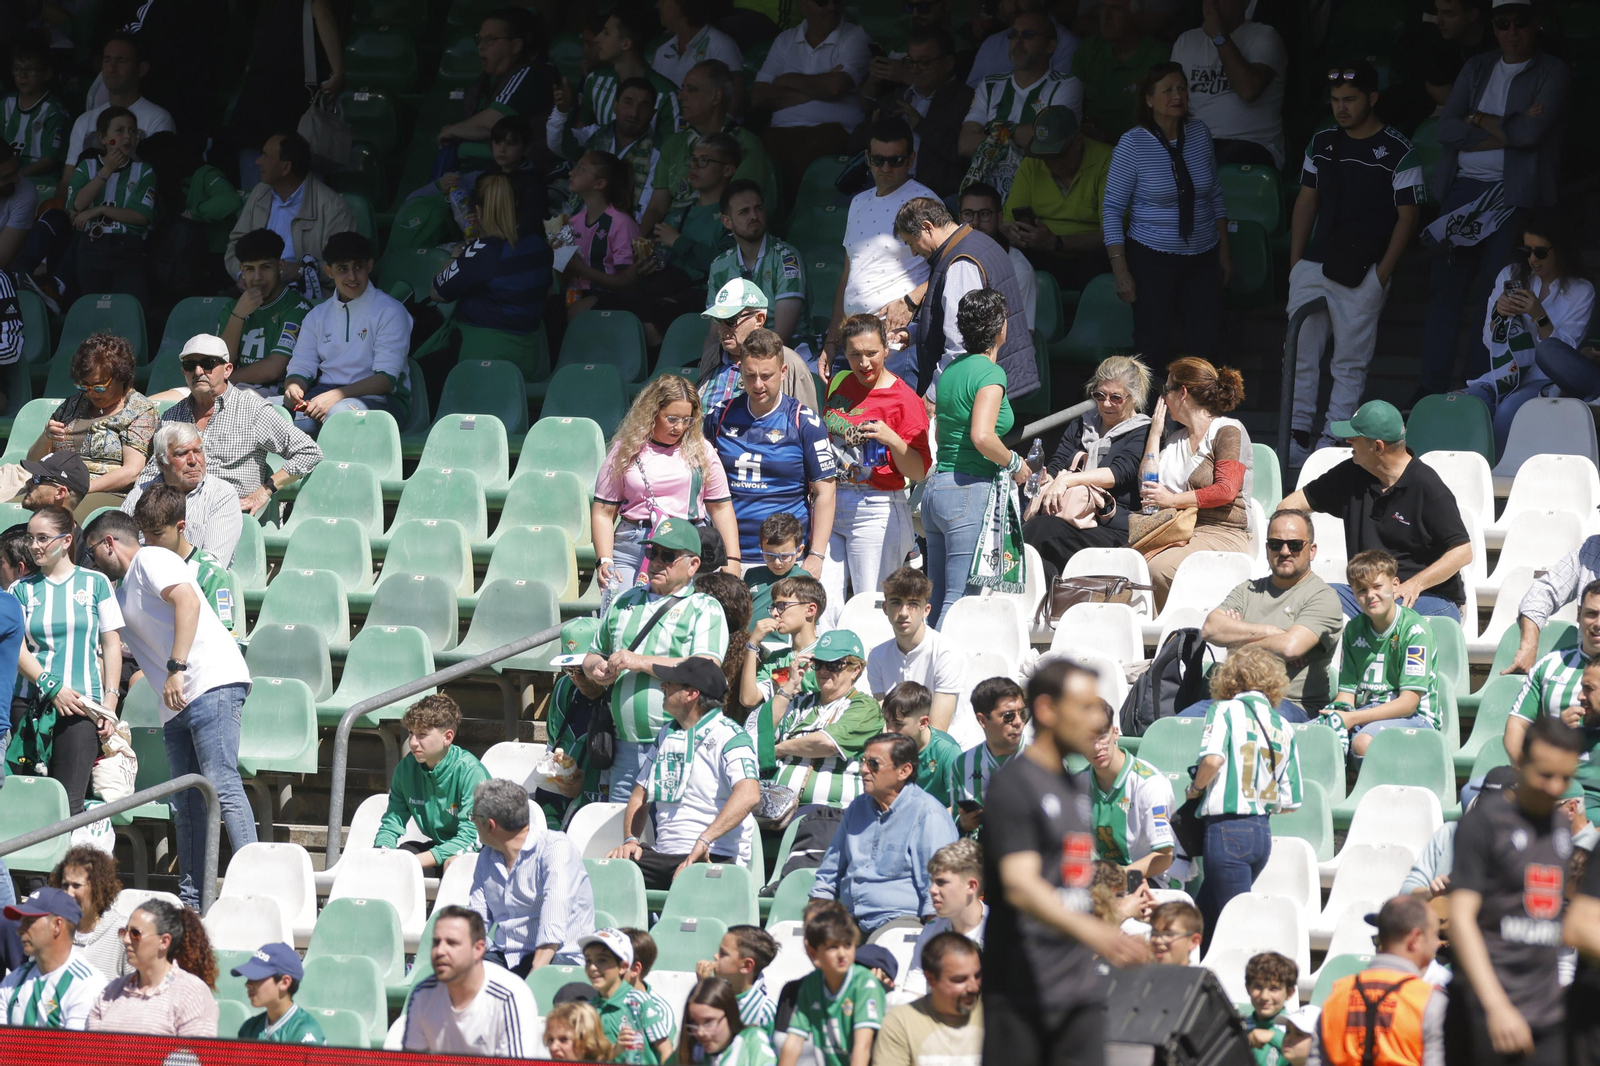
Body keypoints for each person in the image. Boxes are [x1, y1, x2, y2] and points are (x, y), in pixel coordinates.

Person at [983, 659, 1150, 1063]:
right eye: (1084, 707)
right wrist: (1097, 933)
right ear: (1046, 710)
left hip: (1077, 987)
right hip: (1022, 987)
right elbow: (1020, 885)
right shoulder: (1014, 784)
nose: (1096, 720)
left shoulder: (1075, 785)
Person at [85, 510, 254, 909]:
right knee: (187, 801)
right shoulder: (119, 591)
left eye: (92, 553)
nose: (91, 563)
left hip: (210, 681)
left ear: (110, 542)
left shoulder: (151, 558)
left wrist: (177, 667)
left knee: (222, 784)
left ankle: (255, 884)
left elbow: (188, 601)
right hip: (175, 702)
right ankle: (195, 901)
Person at [1416, 3, 1571, 401]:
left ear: (1535, 25)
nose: (1513, 31)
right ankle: (1429, 390)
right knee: (1444, 292)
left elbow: (1533, 134)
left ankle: (1477, 390)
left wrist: (1478, 118)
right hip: (1463, 189)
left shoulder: (1552, 70)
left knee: (1495, 293)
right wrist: (1508, 127)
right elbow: (1448, 127)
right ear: (1494, 28)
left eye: (1521, 23)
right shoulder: (1479, 66)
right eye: (1504, 24)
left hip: (1514, 195)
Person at [1286, 64, 1425, 466]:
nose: (1341, 108)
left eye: (1350, 99)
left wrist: (1381, 275)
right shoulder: (1322, 139)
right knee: (1299, 352)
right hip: (1315, 262)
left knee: (1349, 360)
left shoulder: (1399, 148)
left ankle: (1333, 437)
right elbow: (1306, 200)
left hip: (1364, 269)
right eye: (1335, 100)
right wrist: (1295, 263)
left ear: (1372, 99)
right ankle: (1295, 434)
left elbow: (1409, 216)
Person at [1447, 713, 1580, 1066]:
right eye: (1545, 774)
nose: (1554, 787)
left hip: (1545, 1014)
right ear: (1520, 762)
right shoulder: (1483, 823)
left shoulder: (1560, 828)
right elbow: (1460, 919)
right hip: (1485, 1009)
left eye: (1564, 778)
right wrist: (1496, 1006)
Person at [1281, 400, 1472, 622]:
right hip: (1365, 597)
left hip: (1430, 598)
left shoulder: (1427, 486)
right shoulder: (1352, 472)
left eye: (1355, 437)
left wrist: (1415, 584)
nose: (1348, 441)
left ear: (1378, 447)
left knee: (1382, 611)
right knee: (1303, 599)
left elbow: (1462, 552)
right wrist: (1297, 549)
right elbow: (1288, 507)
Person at [585, 517, 731, 800]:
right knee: (624, 837)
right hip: (623, 748)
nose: (656, 561)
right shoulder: (624, 600)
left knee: (669, 839)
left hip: (678, 744)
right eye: (652, 552)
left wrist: (638, 662)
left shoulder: (704, 608)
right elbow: (593, 654)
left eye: (669, 555)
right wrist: (596, 669)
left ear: (693, 566)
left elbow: (705, 672)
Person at [1102, 62, 1230, 362]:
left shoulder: (1199, 133)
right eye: (1168, 90)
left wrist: (1224, 251)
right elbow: (1111, 210)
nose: (1177, 95)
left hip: (1203, 255)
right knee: (1153, 342)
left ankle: (1199, 409)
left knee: (1206, 341)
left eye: (1182, 88)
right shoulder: (1132, 143)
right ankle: (1150, 409)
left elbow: (1215, 195)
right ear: (1149, 99)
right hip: (1152, 257)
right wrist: (1120, 270)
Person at [921, 288, 1029, 626]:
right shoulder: (990, 373)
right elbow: (982, 436)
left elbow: (942, 429)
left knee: (936, 600)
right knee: (959, 603)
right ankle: (941, 679)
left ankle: (923, 676)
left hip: (937, 493)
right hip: (968, 493)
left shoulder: (952, 369)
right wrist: (1015, 463)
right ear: (1001, 328)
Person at [608, 656, 761, 888]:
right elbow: (640, 793)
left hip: (714, 855)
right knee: (612, 874)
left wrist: (704, 840)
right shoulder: (666, 733)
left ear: (692, 694)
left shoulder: (731, 736)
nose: (662, 685)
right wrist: (631, 839)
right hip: (664, 856)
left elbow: (749, 794)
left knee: (691, 881)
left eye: (670, 683)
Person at [1186, 646, 1303, 947]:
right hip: (1261, 833)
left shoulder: (1223, 710)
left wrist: (1196, 789)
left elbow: (1212, 760)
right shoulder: (1284, 725)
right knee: (1203, 922)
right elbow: (1290, 802)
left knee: (1236, 928)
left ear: (1229, 679)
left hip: (1226, 831)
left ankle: (1248, 980)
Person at [594, 375, 741, 613]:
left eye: (687, 419)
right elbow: (603, 510)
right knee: (620, 619)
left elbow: (721, 507)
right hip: (634, 544)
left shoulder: (701, 450)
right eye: (672, 419)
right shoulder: (625, 449)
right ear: (652, 413)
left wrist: (733, 561)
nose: (680, 427)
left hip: (687, 545)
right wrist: (605, 559)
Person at [13, 506, 124, 817]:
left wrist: (110, 704)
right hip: (31, 705)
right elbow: (17, 649)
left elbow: (111, 645)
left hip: (82, 708)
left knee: (69, 805)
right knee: (28, 805)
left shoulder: (97, 583)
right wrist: (52, 687)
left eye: (43, 538)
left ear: (66, 540)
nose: (34, 545)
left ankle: (61, 866)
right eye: (31, 537)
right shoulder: (19, 589)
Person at [821, 314, 930, 612]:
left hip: (877, 507)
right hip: (831, 501)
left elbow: (919, 470)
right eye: (855, 354)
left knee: (869, 605)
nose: (864, 363)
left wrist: (892, 439)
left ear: (886, 349)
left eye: (871, 353)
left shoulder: (905, 400)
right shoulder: (840, 381)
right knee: (823, 605)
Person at [1460, 215, 1594, 454]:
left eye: (1540, 252)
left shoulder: (1581, 290)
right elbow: (1489, 342)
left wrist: (1539, 315)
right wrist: (1499, 316)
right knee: (1464, 404)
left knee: (1510, 409)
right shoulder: (1509, 274)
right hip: (1503, 374)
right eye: (1527, 251)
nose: (1532, 259)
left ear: (1559, 250)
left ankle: (1499, 478)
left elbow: (1563, 354)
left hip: (1545, 379)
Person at [706, 331, 835, 573]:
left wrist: (816, 555)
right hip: (729, 556)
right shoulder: (718, 416)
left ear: (783, 372)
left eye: (766, 376)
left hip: (784, 558)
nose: (757, 385)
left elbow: (825, 491)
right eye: (750, 375)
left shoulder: (804, 422)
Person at [1197, 509, 1345, 720]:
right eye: (1276, 544)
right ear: (1267, 549)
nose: (1284, 551)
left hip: (1290, 705)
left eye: (1294, 545)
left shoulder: (1323, 596)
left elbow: (1290, 647)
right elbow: (1211, 628)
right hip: (1233, 699)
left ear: (1311, 550)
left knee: (1245, 725)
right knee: (1177, 728)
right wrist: (1272, 631)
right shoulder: (1247, 590)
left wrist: (1237, 644)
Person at [153, 332, 323, 512]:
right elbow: (154, 469)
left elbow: (309, 452)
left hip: (229, 513)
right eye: (189, 365)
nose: (198, 371)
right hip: (176, 513)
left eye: (208, 364)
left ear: (228, 370)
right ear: (183, 371)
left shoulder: (253, 410)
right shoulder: (172, 416)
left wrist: (265, 490)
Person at [425, 171, 554, 404]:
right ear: (514, 204)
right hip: (529, 357)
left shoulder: (482, 252)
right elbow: (548, 292)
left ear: (478, 210)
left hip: (480, 355)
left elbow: (436, 291)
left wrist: (456, 257)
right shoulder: (538, 243)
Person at [1022, 355, 1153, 585]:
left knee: (1041, 531)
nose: (1106, 404)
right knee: (1033, 534)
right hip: (1066, 515)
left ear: (1133, 398)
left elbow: (1119, 472)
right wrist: (1047, 478)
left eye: (1116, 398)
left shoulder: (1142, 431)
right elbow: (1058, 462)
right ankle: (1047, 602)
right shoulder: (1083, 424)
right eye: (1100, 396)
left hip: (1110, 524)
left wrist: (1066, 482)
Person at [598, 132, 740, 342]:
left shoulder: (734, 216)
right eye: (692, 160)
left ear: (728, 169)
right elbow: (662, 261)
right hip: (665, 288)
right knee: (604, 308)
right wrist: (649, 264)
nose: (694, 166)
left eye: (704, 161)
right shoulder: (677, 214)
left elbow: (728, 264)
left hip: (703, 296)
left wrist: (678, 241)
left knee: (650, 321)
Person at [811, 732, 959, 932]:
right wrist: (815, 918)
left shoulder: (929, 815)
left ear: (904, 771)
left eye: (873, 764)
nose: (863, 770)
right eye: (863, 761)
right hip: (849, 920)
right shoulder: (857, 808)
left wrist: (933, 940)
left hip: (899, 924)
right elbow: (829, 874)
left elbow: (940, 890)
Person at [824, 118, 938, 370]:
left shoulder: (924, 203)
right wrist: (832, 339)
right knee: (844, 411)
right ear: (867, 157)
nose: (886, 167)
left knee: (892, 410)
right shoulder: (858, 202)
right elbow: (848, 274)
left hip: (895, 338)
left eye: (895, 161)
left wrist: (911, 300)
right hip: (851, 337)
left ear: (911, 160)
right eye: (878, 160)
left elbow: (950, 263)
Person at [1140, 357, 1254, 606]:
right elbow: (1146, 485)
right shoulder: (1175, 440)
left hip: (1222, 532)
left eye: (1166, 390)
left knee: (1159, 569)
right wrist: (1155, 434)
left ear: (1182, 393)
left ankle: (1168, 638)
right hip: (1176, 528)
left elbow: (1226, 490)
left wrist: (1172, 500)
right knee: (1127, 564)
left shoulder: (1228, 430)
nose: (1163, 398)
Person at [896, 198, 1036, 399]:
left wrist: (934, 394)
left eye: (912, 243)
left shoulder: (961, 262)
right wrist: (916, 333)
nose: (914, 252)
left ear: (928, 228)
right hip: (999, 380)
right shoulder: (979, 242)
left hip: (980, 390)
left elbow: (960, 342)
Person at [282, 231, 413, 435]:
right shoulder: (317, 314)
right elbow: (302, 365)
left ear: (369, 266)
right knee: (268, 410)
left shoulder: (390, 311)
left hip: (382, 400)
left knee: (340, 415)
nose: (352, 276)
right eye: (343, 269)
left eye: (358, 267)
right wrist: (294, 386)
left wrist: (335, 397)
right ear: (329, 271)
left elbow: (386, 380)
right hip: (323, 394)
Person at [1322, 551, 1444, 758]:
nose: (1370, 595)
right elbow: (1346, 694)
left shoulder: (1415, 631)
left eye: (1377, 586)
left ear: (1395, 584)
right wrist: (1336, 714)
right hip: (1367, 713)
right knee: (1319, 736)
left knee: (1363, 742)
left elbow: (1408, 704)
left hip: (1417, 718)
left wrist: (1353, 719)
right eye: (1361, 590)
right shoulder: (1353, 629)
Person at [469, 777, 596, 975]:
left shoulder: (555, 848)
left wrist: (532, 981)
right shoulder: (487, 857)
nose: (473, 821)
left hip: (558, 960)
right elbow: (476, 921)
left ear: (489, 825)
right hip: (505, 958)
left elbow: (552, 925)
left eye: (473, 816)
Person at [959, 11, 1084, 200]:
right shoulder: (990, 85)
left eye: (1028, 35)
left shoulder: (1066, 85)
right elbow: (965, 145)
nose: (1018, 41)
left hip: (1040, 194)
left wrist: (996, 132)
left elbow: (1051, 141)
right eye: (1013, 35)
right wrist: (1021, 136)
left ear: (1050, 46)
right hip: (986, 198)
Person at [641, 61, 773, 239]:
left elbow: (742, 213)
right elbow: (657, 207)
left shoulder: (747, 144)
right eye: (683, 89)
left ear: (716, 96)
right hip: (670, 238)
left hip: (714, 241)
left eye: (691, 89)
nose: (681, 96)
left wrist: (682, 246)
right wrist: (640, 247)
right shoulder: (674, 144)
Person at [1309, 895, 1446, 1066]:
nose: (1437, 944)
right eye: (1435, 935)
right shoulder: (1430, 1001)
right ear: (1416, 939)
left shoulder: (1337, 994)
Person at [753, 0, 873, 187]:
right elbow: (759, 96)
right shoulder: (785, 39)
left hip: (833, 132)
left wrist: (787, 79)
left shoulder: (855, 36)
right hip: (779, 133)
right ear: (802, 5)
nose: (832, 7)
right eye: (822, 2)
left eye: (836, 0)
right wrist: (821, 88)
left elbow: (835, 87)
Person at [225, 131, 354, 299]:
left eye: (265, 156)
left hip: (306, 297)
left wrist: (301, 271)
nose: (258, 162)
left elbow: (345, 266)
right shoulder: (259, 193)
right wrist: (242, 275)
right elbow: (235, 245)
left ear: (285, 167)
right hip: (256, 291)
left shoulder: (332, 206)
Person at [226, 0, 344, 185]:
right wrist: (338, 71)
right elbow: (323, 16)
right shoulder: (312, 5)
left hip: (255, 105)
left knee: (257, 188)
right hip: (291, 103)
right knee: (300, 191)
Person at [28, 333, 159, 497]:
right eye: (84, 387)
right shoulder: (72, 405)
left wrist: (80, 488)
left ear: (122, 377)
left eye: (99, 387)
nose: (91, 394)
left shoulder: (139, 410)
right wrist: (46, 438)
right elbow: (33, 462)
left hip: (106, 495)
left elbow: (132, 472)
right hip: (57, 488)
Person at [401, 904, 541, 1056]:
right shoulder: (422, 995)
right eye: (436, 943)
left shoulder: (511, 997)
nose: (440, 951)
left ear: (478, 949)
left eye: (452, 943)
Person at [436, 8, 556, 185]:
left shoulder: (532, 73)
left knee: (422, 207)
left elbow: (492, 123)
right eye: (479, 39)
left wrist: (451, 130)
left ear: (516, 45)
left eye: (490, 40)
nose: (481, 46)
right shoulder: (487, 80)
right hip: (473, 172)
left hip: (509, 176)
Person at [999, 106, 1112, 290]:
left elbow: (1112, 235)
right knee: (1014, 259)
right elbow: (1007, 223)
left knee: (1102, 261)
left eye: (1057, 155)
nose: (1049, 162)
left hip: (1092, 256)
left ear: (1077, 142)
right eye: (1044, 155)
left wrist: (1057, 242)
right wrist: (1016, 235)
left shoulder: (1107, 160)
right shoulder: (1033, 163)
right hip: (1043, 253)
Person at [373, 695, 490, 871]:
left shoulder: (471, 772)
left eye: (422, 735)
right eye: (411, 733)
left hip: (482, 854)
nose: (413, 742)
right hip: (440, 848)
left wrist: (413, 862)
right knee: (403, 852)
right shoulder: (405, 769)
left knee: (452, 865)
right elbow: (392, 823)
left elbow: (472, 837)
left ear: (448, 737)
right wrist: (382, 853)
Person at [856, 28, 973, 199]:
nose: (915, 69)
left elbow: (962, 155)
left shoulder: (965, 98)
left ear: (948, 63)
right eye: (911, 62)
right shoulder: (899, 96)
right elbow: (853, 144)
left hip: (934, 195)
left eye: (924, 62)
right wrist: (874, 128)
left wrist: (920, 124)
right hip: (882, 186)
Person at [1169, 0, 1286, 167]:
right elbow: (1172, 104)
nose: (1212, 4)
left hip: (1251, 144)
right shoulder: (1186, 41)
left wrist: (1219, 36)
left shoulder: (1264, 36)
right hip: (1197, 145)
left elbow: (1248, 90)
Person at [62, 105, 155, 301]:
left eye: (132, 131)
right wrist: (108, 169)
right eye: (119, 131)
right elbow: (77, 204)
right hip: (91, 245)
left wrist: (101, 209)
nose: (128, 137)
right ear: (104, 138)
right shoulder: (87, 166)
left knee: (130, 306)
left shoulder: (144, 170)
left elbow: (141, 217)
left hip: (128, 246)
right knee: (92, 306)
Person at [1503, 581, 1600, 769]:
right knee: (1486, 789)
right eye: (1591, 614)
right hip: (1553, 783)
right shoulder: (1550, 665)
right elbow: (1517, 726)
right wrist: (1529, 776)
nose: (1598, 623)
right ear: (1578, 615)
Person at [58, 35, 174, 190]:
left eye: (121, 61)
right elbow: (68, 181)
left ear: (141, 69)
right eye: (107, 60)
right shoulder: (84, 120)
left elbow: (158, 182)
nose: (111, 68)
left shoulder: (158, 119)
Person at [87, 899, 218, 1036]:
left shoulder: (191, 993)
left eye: (135, 934)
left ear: (164, 941)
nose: (126, 940)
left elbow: (195, 1054)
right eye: (124, 932)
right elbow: (90, 1050)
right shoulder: (111, 993)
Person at [119, 424, 242, 569]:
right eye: (181, 454)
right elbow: (120, 546)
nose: (193, 460)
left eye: (198, 451)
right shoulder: (141, 493)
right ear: (161, 462)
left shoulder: (222, 494)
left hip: (197, 584)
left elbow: (213, 564)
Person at [559, 8, 682, 149]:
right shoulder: (595, 80)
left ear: (625, 44)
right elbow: (581, 134)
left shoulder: (667, 95)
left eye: (606, 32)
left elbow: (672, 157)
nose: (597, 38)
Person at [779, 906, 886, 1066]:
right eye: (833, 947)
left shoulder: (865, 984)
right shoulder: (811, 984)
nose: (842, 954)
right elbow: (794, 1041)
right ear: (813, 952)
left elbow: (862, 1047)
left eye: (848, 945)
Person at [705, 180, 807, 347]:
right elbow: (714, 336)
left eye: (758, 208)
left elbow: (781, 337)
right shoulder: (719, 266)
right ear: (727, 221)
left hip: (789, 353)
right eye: (744, 211)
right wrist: (707, 370)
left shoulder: (786, 258)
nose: (754, 216)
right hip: (737, 353)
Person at [216, 230, 314, 398]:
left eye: (265, 267)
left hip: (270, 394)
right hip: (226, 388)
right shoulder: (232, 308)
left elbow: (273, 369)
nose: (257, 277)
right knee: (166, 398)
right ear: (241, 270)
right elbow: (221, 362)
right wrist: (238, 315)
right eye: (249, 269)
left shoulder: (297, 308)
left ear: (280, 266)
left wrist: (219, 379)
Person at [697, 280, 820, 414]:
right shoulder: (712, 357)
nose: (721, 328)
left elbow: (806, 425)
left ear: (759, 319)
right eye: (718, 320)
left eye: (730, 320)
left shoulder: (790, 362)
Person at [132, 484, 239, 635]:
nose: (148, 541)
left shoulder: (211, 573)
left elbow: (220, 633)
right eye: (144, 533)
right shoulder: (137, 560)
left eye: (157, 533)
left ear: (181, 527)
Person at [868, 569, 966, 732]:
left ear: (926, 610)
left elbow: (938, 730)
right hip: (896, 745)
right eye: (896, 602)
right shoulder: (877, 656)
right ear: (885, 608)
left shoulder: (947, 653)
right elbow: (883, 721)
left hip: (941, 749)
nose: (904, 613)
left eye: (913, 604)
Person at [1087, 703, 1174, 881]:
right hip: (1101, 881)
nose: (1096, 747)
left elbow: (1164, 857)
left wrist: (1115, 878)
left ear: (1115, 733)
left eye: (1102, 736)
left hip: (1150, 881)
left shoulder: (1149, 783)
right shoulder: (1077, 783)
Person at [0, 887, 108, 1029]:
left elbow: (74, 1050)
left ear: (57, 925)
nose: (20, 930)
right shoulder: (13, 981)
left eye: (29, 922)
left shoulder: (87, 985)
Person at [873, 932, 982, 1066]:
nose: (973, 987)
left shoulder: (993, 1017)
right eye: (959, 979)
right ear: (930, 979)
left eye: (977, 976)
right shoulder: (900, 1023)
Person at [1069, 0, 1169, 142]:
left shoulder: (1157, 55)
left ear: (1135, 16)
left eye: (1116, 8)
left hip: (1140, 147)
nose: (1106, 16)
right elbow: (1072, 108)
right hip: (1089, 146)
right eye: (1102, 7)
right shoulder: (1087, 51)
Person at [900, 840, 987, 1000]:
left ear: (971, 886)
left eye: (941, 882)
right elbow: (913, 993)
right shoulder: (931, 929)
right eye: (932, 881)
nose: (932, 890)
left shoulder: (1000, 931)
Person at [564, 149, 643, 318]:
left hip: (611, 298)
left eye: (581, 168)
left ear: (599, 184)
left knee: (576, 314)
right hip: (575, 294)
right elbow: (565, 275)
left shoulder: (621, 223)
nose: (572, 172)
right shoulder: (572, 222)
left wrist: (580, 268)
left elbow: (628, 282)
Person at [580, 927, 673, 1060]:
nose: (593, 967)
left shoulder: (639, 1000)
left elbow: (666, 1051)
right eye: (588, 961)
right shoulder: (588, 1009)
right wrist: (616, 1049)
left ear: (623, 967)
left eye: (602, 960)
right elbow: (588, 1060)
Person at [953, 677, 1028, 837]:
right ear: (982, 720)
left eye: (1023, 713)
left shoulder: (1046, 761)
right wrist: (963, 824)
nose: (1018, 722)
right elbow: (952, 828)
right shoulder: (962, 764)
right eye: (1008, 716)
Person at [956, 183, 1035, 329]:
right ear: (959, 217)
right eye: (968, 214)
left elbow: (1018, 335)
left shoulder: (1017, 268)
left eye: (984, 214)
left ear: (999, 217)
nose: (975, 222)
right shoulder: (949, 261)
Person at [880, 680, 964, 812]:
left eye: (898, 724)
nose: (889, 731)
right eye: (887, 722)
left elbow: (961, 805)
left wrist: (927, 823)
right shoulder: (888, 748)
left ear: (923, 723)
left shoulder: (947, 750)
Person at [49, 846, 126, 977]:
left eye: (76, 886)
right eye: (65, 885)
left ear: (98, 888)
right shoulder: (52, 929)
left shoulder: (123, 935)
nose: (69, 893)